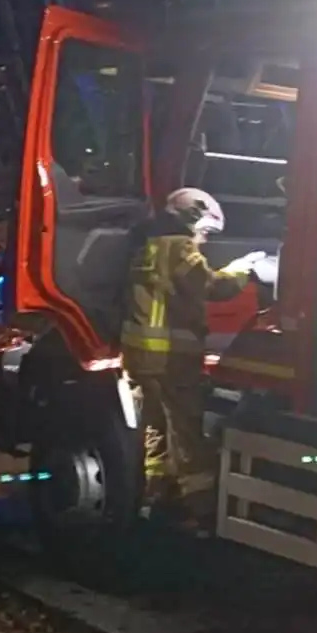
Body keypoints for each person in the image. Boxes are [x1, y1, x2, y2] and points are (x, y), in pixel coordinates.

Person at [122, 187, 264, 527]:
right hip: (171, 359)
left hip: (139, 359)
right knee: (186, 434)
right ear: (191, 218)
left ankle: (155, 496)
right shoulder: (178, 247)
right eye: (203, 230)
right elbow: (211, 286)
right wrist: (243, 269)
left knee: (154, 428)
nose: (202, 238)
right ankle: (199, 512)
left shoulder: (146, 246)